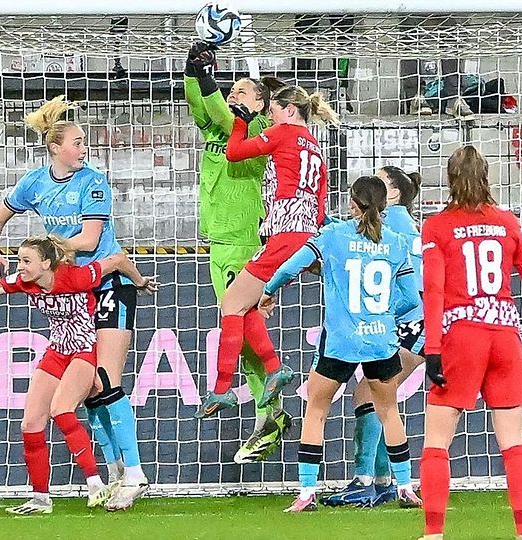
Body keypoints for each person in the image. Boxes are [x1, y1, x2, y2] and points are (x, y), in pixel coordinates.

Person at [0, 96, 149, 511]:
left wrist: (44, 255)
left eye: (84, 143)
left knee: (106, 382)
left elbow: (91, 241)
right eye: (77, 142)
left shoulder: (93, 182)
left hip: (105, 283)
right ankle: (113, 469)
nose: (83, 149)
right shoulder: (35, 182)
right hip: (76, 290)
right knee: (89, 393)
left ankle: (134, 473)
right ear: (56, 147)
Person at [0, 236, 155, 514]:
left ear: (46, 263)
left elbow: (117, 260)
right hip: (57, 350)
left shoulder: (76, 276)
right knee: (29, 424)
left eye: (26, 261)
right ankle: (41, 499)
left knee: (61, 410)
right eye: (19, 260)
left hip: (84, 349)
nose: (20, 267)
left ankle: (95, 482)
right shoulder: (26, 283)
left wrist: (138, 282)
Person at [419, 145, 522, 540]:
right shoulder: (507, 222)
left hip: (461, 336)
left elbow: (432, 291)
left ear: (449, 180)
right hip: (505, 334)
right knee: (514, 443)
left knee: (437, 442)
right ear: (487, 177)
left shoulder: (436, 226)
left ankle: (434, 534)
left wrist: (433, 350)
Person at [258, 176, 422, 512]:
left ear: (354, 203)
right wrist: (385, 314)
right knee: (389, 411)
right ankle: (405, 487)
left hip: (341, 342)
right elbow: (410, 299)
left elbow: (293, 265)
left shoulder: (334, 236)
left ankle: (306, 494)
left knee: (316, 411)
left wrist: (269, 291)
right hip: (379, 340)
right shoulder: (394, 243)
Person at [196, 84, 340, 419]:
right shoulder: (315, 147)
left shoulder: (284, 132)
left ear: (290, 110)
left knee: (231, 303)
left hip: (283, 235)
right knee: (245, 307)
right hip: (305, 237)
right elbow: (320, 204)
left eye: (273, 109)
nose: (270, 116)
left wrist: (241, 123)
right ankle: (273, 369)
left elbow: (233, 152)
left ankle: (221, 389)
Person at [184, 42, 290, 462]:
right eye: (231, 90)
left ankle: (270, 414)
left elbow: (230, 118)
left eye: (242, 91)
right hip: (217, 243)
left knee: (241, 323)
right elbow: (205, 109)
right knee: (242, 334)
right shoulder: (216, 130)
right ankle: (270, 412)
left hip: (244, 241)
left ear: (262, 103)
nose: (233, 95)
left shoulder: (258, 128)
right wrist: (193, 74)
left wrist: (208, 79)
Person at [321, 165, 426, 508]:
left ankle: (366, 480)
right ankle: (384, 481)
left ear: (392, 194)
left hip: (409, 321)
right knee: (382, 397)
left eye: (380, 183)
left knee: (371, 393)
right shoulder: (404, 222)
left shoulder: (390, 222)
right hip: (419, 320)